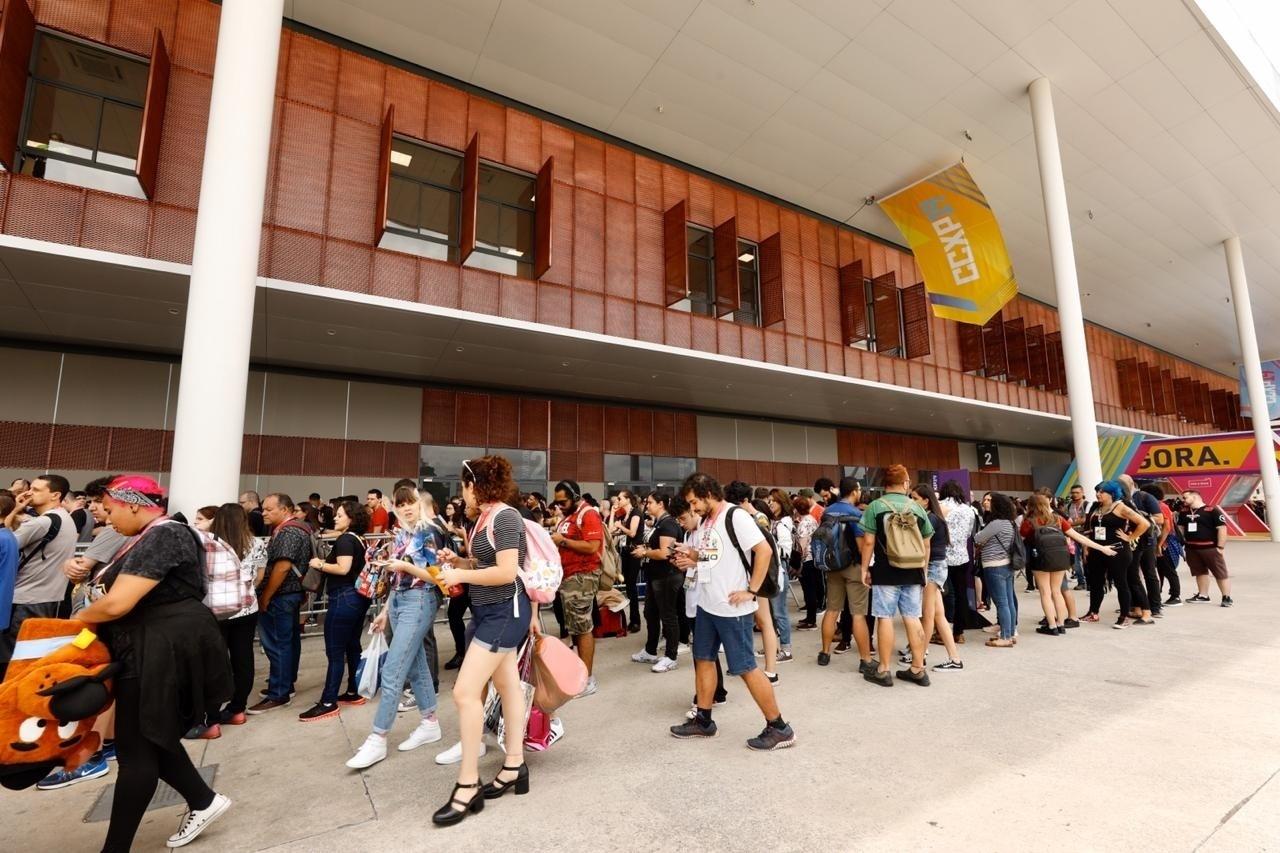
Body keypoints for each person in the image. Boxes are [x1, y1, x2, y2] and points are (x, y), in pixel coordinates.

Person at [75, 476, 233, 851]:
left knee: (136, 753)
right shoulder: (149, 535)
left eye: (109, 510)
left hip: (157, 650)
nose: (105, 519)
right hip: (148, 645)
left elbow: (117, 603)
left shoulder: (165, 534)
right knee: (151, 738)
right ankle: (203, 800)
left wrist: (73, 623)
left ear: (132, 504)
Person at [432, 456, 534, 826]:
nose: (462, 493)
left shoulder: (504, 517)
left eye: (464, 485)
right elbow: (486, 566)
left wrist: (460, 573)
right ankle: (514, 766)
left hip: (504, 613)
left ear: (476, 485)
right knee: (507, 687)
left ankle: (468, 784)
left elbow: (506, 573)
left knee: (464, 693)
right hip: (493, 612)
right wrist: (460, 561)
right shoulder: (485, 519)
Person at [669, 474, 794, 750]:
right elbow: (712, 557)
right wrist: (691, 557)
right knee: (703, 658)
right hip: (707, 604)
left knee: (746, 667)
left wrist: (751, 590)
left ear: (707, 494)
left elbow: (764, 551)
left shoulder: (735, 516)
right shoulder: (706, 521)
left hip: (732, 607)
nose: (692, 508)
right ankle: (704, 720)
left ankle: (779, 727)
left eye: (694, 502)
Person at [299, 501, 372, 721]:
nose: (335, 518)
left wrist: (319, 564)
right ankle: (353, 691)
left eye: (340, 515)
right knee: (352, 646)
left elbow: (343, 568)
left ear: (352, 518)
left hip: (344, 598)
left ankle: (328, 701)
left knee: (335, 651)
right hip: (356, 598)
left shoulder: (345, 540)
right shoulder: (358, 539)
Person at [859, 465, 933, 685]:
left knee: (885, 617)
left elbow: (868, 541)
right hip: (914, 569)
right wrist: (924, 570)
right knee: (912, 617)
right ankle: (918, 669)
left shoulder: (875, 506)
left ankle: (884, 670)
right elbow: (927, 542)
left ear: (885, 484)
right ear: (906, 482)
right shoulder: (917, 507)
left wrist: (864, 569)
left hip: (886, 570)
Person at [1, 474, 78, 670]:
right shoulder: (65, 518)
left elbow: (5, 541)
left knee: (11, 660)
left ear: (55, 495)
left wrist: (13, 510)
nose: (29, 493)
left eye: (35, 490)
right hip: (49, 597)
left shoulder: (42, 522)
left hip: (25, 599)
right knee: (30, 658)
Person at [1019, 494, 1115, 635]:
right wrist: (1102, 548)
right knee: (1057, 592)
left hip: (1039, 559)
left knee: (1045, 593)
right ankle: (1061, 624)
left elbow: (1020, 541)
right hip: (1060, 558)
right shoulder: (1058, 519)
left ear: (1030, 506)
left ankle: (1052, 626)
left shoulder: (1029, 522)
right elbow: (1078, 537)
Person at [248, 493, 310, 713]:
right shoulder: (297, 528)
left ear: (284, 510)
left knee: (278, 644)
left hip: (281, 596)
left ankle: (279, 693)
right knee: (288, 642)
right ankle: (285, 684)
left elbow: (282, 567)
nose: (263, 513)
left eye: (268, 509)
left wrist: (266, 596)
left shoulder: (288, 532)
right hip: (288, 595)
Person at [551, 479, 603, 696]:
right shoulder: (570, 515)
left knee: (582, 628)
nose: (559, 506)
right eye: (557, 502)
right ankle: (581, 674)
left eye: (563, 502)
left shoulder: (588, 514)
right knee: (576, 628)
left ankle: (587, 679)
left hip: (582, 576)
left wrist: (562, 541)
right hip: (571, 577)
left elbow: (592, 546)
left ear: (574, 497)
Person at [816, 478, 872, 670]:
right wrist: (866, 569)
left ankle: (825, 653)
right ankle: (865, 660)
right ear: (855, 491)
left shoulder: (828, 511)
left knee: (832, 610)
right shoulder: (855, 513)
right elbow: (861, 545)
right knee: (858, 614)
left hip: (833, 566)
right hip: (853, 567)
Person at [1082, 481, 1151, 628]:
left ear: (1112, 493)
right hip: (1097, 550)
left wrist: (1130, 537)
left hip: (1117, 551)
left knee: (1121, 583)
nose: (1098, 494)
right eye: (1097, 491)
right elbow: (1089, 528)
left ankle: (1124, 616)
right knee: (1096, 583)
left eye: (1102, 492)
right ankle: (1093, 612)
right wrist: (1086, 547)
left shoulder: (1120, 506)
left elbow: (1144, 523)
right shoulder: (1096, 507)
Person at [909, 483, 963, 670]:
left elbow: (925, 546)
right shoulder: (933, 516)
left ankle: (920, 656)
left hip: (931, 567)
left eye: (915, 498)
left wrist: (923, 572)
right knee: (938, 615)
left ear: (926, 500)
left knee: (928, 615)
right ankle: (954, 658)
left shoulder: (930, 518)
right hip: (936, 567)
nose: (912, 501)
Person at [630, 492, 683, 673]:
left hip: (667, 575)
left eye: (650, 502)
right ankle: (650, 650)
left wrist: (644, 553)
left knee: (668, 615)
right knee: (650, 613)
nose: (647, 505)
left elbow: (665, 553)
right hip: (656, 576)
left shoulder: (668, 524)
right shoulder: (660, 523)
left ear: (661, 504)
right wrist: (645, 549)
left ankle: (671, 656)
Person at [1119, 474, 1164, 619]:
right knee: (1131, 574)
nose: (1120, 486)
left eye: (1123, 483)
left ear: (1131, 483)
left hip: (1146, 540)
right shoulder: (1119, 499)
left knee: (1149, 573)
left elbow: (1160, 518)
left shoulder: (1144, 497)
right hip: (1128, 542)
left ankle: (1155, 606)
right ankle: (1136, 605)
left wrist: (1138, 517)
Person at [1177, 490, 1232, 607]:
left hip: (1210, 547)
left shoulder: (1212, 510)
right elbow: (1180, 529)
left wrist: (1220, 547)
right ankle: (1203, 595)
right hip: (1191, 548)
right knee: (1199, 572)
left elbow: (1222, 529)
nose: (1183, 500)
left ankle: (1226, 597)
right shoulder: (1183, 512)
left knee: (1220, 572)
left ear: (1195, 496)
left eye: (1185, 497)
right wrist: (1181, 544)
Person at [765, 489, 795, 665]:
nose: (770, 504)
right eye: (769, 501)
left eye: (773, 501)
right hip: (774, 567)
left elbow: (786, 551)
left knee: (779, 610)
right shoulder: (775, 522)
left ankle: (786, 648)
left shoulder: (782, 524)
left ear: (781, 503)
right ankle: (773, 645)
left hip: (779, 568)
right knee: (771, 610)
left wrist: (771, 547)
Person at [609, 490, 644, 633]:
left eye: (620, 498)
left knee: (632, 586)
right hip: (626, 552)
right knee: (629, 586)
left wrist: (620, 526)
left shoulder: (635, 513)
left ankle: (636, 621)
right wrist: (612, 513)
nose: (617, 501)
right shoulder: (625, 515)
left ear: (628, 499)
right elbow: (611, 530)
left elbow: (633, 533)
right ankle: (633, 620)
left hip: (634, 551)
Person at [792, 496, 821, 629]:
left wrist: (797, 564)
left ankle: (811, 620)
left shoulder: (804, 523)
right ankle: (810, 617)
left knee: (808, 590)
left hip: (806, 560)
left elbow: (802, 546)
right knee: (811, 589)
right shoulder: (812, 519)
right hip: (814, 558)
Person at [1064, 484, 1092, 588]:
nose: (1075, 494)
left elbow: (1085, 519)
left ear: (1082, 492)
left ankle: (1090, 582)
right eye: (1073, 493)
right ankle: (1081, 582)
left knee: (1087, 558)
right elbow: (1065, 520)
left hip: (1086, 535)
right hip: (1073, 535)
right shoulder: (1068, 506)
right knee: (1075, 561)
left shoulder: (1087, 504)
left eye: (1077, 492)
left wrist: (1072, 523)